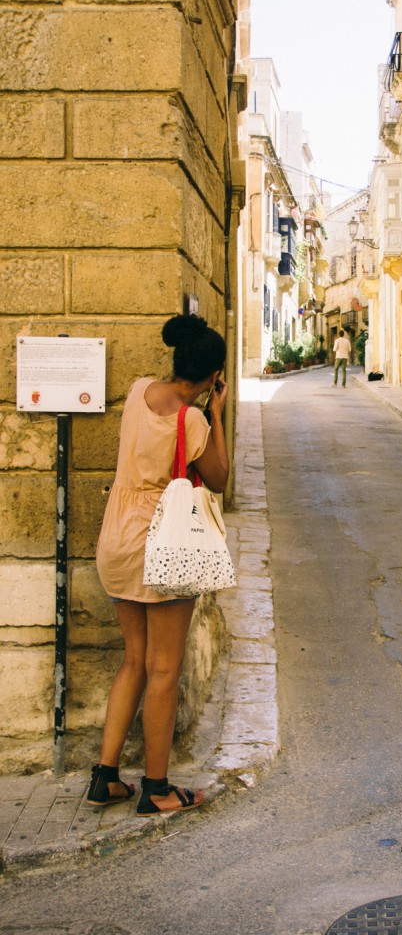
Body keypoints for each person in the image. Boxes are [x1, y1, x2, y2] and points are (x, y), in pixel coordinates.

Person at [88, 313, 230, 817]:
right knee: (164, 669)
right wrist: (216, 414)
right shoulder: (191, 420)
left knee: (134, 660)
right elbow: (218, 478)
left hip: (117, 539)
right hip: (162, 543)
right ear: (213, 375)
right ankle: (156, 788)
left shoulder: (139, 391)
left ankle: (105, 777)